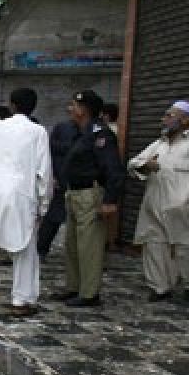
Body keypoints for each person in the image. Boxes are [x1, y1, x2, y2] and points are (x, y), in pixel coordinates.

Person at [0, 87, 53, 315]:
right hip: (20, 195)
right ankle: (21, 300)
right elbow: (43, 172)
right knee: (24, 248)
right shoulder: (38, 132)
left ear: (12, 105)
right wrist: (44, 204)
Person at [127, 100, 189, 302]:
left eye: (169, 115)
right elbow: (133, 163)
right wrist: (146, 164)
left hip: (185, 207)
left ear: (185, 120)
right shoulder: (159, 143)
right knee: (155, 246)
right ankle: (160, 288)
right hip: (154, 205)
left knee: (188, 247)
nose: (164, 119)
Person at [54, 90, 124, 307]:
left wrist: (110, 200)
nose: (70, 109)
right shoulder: (80, 133)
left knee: (89, 246)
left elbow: (113, 169)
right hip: (74, 193)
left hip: (90, 194)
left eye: (73, 105)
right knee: (73, 245)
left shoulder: (101, 134)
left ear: (84, 110)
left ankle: (89, 293)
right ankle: (74, 287)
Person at [36, 120, 78, 260]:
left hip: (78, 181)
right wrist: (51, 175)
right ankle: (41, 249)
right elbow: (50, 152)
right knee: (53, 217)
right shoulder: (63, 128)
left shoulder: (90, 131)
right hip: (61, 179)